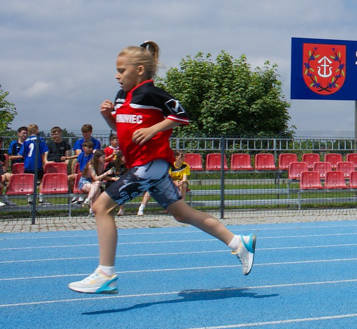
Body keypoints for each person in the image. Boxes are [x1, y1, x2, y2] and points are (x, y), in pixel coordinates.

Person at [68, 41, 256, 294]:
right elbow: (121, 129)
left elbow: (182, 116)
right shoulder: (122, 96)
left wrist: (154, 128)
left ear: (140, 71)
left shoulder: (152, 94)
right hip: (145, 166)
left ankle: (105, 273)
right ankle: (237, 242)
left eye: (122, 70)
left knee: (101, 206)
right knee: (182, 214)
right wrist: (107, 117)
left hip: (151, 164)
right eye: (117, 70)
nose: (117, 75)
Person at [21, 124, 48, 204]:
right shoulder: (40, 139)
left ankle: (30, 198)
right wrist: (45, 161)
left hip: (28, 164)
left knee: (29, 181)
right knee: (42, 180)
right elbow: (44, 151)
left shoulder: (26, 141)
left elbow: (22, 153)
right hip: (37, 164)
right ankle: (41, 198)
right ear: (36, 130)